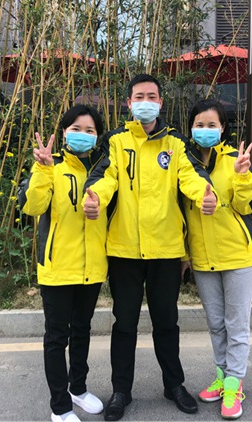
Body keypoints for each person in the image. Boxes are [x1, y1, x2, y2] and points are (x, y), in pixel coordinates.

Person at [82, 74, 218, 421]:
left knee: (167, 322)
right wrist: (95, 197)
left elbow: (190, 176)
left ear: (160, 102)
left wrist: (204, 193)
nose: (146, 102)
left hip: (166, 249)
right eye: (139, 96)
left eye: (152, 96)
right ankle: (121, 391)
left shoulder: (175, 143)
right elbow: (105, 177)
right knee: (124, 324)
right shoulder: (116, 141)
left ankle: (174, 385)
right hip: (124, 249)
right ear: (129, 103)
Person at [18, 105, 108, 422]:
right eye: (76, 129)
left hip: (91, 267)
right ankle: (60, 406)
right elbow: (32, 206)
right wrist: (42, 169)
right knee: (57, 337)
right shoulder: (51, 166)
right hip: (57, 267)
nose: (83, 135)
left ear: (97, 136)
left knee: (82, 330)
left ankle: (78, 389)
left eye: (90, 130)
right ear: (65, 132)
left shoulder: (103, 170)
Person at [182, 99, 252, 420]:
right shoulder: (184, 164)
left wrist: (241, 175)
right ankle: (221, 376)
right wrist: (185, 255)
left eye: (211, 125)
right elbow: (182, 215)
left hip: (239, 256)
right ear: (191, 128)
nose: (205, 130)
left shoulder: (235, 160)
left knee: (236, 325)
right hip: (203, 259)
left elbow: (247, 207)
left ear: (223, 128)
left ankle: (234, 385)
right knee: (216, 324)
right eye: (199, 124)